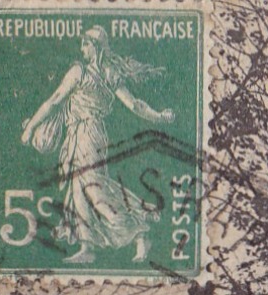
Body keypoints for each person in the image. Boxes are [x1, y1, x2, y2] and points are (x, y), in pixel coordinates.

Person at [18, 26, 175, 264]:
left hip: (87, 134)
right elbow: (135, 105)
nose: (82, 49)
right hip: (83, 134)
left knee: (93, 187)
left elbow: (54, 100)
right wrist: (159, 116)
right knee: (78, 188)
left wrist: (31, 128)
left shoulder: (80, 72)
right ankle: (87, 246)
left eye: (85, 44)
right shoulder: (108, 73)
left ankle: (139, 230)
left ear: (96, 46)